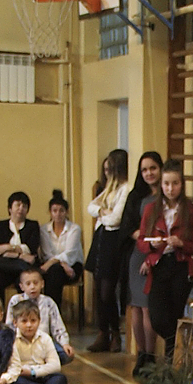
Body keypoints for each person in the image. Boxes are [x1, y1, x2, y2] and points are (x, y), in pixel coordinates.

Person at [136, 159, 193, 361]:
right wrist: (152, 246)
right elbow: (141, 241)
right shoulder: (151, 209)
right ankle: (178, 351)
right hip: (159, 265)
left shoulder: (190, 210)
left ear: (182, 184)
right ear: (161, 185)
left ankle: (171, 362)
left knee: (174, 314)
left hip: (180, 266)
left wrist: (181, 243)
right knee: (157, 317)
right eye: (166, 184)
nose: (170, 189)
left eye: (175, 183)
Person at [119, 151, 163, 376]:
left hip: (158, 254)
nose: (149, 173)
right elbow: (127, 225)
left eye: (153, 168)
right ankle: (141, 354)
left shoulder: (166, 195)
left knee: (148, 307)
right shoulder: (136, 196)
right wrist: (144, 239)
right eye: (144, 170)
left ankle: (151, 355)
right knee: (136, 306)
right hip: (138, 253)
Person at [86, 148, 129, 353]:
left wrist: (103, 215)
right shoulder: (109, 189)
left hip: (113, 241)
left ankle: (115, 332)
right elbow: (91, 207)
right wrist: (103, 211)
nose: (106, 173)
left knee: (107, 291)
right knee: (98, 287)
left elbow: (116, 219)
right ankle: (103, 332)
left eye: (109, 169)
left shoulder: (125, 189)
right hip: (101, 238)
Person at [11, 300, 85, 384]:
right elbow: (14, 367)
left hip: (43, 375)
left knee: (60, 378)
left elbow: (55, 365)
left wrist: (33, 372)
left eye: (33, 320)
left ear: (39, 321)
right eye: (24, 321)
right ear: (15, 323)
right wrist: (24, 372)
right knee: (16, 380)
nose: (29, 325)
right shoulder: (12, 340)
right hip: (23, 377)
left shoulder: (45, 338)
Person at [6, 267, 75, 365]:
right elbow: (9, 325)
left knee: (65, 354)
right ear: (21, 286)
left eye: (35, 283)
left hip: (43, 343)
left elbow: (57, 326)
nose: (32, 287)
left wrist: (65, 343)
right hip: (21, 342)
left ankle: (44, 365)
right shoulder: (16, 300)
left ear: (42, 284)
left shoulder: (48, 302)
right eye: (28, 284)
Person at [0, 191, 41, 303]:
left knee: (24, 281)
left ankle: (25, 311)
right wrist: (20, 255)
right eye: (18, 205)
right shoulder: (1, 225)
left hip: (24, 269)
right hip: (6, 267)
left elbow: (30, 248)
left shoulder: (33, 225)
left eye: (24, 206)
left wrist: (8, 248)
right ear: (10, 208)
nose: (21, 209)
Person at [38, 189, 85, 310]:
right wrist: (61, 264)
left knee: (54, 272)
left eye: (61, 211)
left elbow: (70, 253)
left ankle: (52, 311)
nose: (58, 214)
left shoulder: (74, 229)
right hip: (53, 267)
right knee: (55, 271)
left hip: (72, 265)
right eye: (55, 211)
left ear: (66, 212)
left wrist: (59, 263)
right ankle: (51, 311)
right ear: (50, 212)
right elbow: (47, 254)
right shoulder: (44, 229)